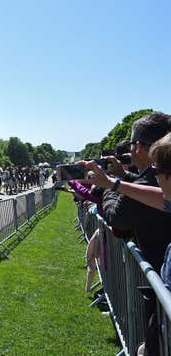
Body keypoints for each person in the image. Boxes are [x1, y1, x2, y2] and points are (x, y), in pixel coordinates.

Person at [93, 111, 171, 356]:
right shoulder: (155, 187)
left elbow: (118, 215)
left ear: (138, 145)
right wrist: (120, 179)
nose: (154, 177)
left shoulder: (152, 183)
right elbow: (161, 199)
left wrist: (109, 187)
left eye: (158, 169)